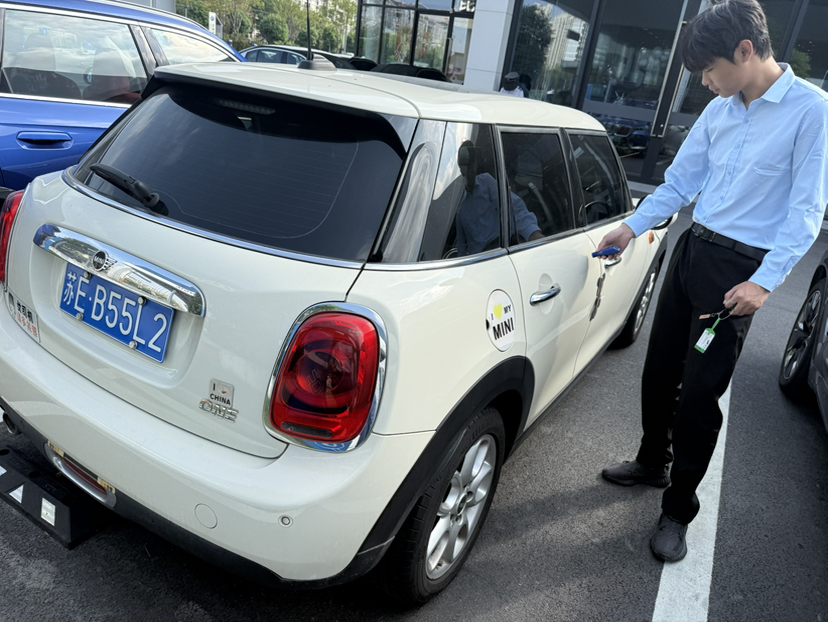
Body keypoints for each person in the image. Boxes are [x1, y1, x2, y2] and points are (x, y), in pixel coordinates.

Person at [596, 0, 828, 563]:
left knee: (700, 393)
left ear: (745, 51)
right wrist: (632, 227)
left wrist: (764, 284)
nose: (704, 82)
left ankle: (678, 509)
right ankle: (652, 461)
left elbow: (806, 212)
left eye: (708, 70)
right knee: (659, 371)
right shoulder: (721, 109)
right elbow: (681, 182)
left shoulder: (811, 111)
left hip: (736, 276)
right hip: (692, 251)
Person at [455, 140, 542, 255]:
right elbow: (461, 248)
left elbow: (512, 206)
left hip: (505, 249)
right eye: (466, 165)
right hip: (481, 260)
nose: (470, 169)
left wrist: (532, 233)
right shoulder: (459, 208)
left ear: (476, 163)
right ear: (461, 169)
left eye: (472, 163)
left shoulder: (487, 183)